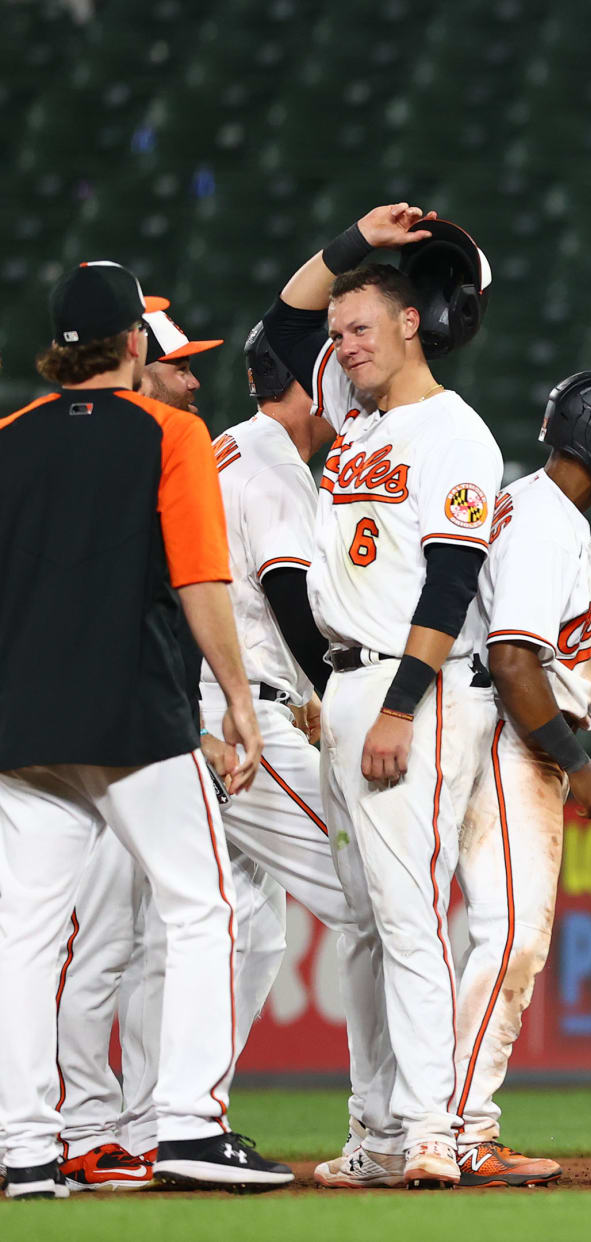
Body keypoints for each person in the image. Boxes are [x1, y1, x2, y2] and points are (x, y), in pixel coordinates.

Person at [0, 261, 286, 1197]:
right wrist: (240, 699)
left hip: (24, 725)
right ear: (133, 342)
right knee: (206, 908)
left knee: (28, 937)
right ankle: (191, 1130)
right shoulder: (171, 430)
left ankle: (25, 1148)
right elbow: (202, 579)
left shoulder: (8, 438)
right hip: (134, 716)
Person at [259, 203, 504, 1189]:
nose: (342, 345)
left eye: (361, 327)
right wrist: (351, 245)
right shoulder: (358, 419)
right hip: (347, 688)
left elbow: (450, 580)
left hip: (418, 690)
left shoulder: (453, 432)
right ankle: (378, 1132)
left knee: (406, 918)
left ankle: (434, 1128)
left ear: (415, 324)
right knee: (363, 922)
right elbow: (277, 331)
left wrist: (401, 705)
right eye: (341, 333)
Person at [452, 372, 591, 1187]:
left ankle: (425, 1125)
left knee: (477, 938)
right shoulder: (546, 523)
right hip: (519, 741)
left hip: (498, 732)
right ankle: (463, 1130)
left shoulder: (527, 503)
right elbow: (514, 661)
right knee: (512, 938)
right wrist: (574, 764)